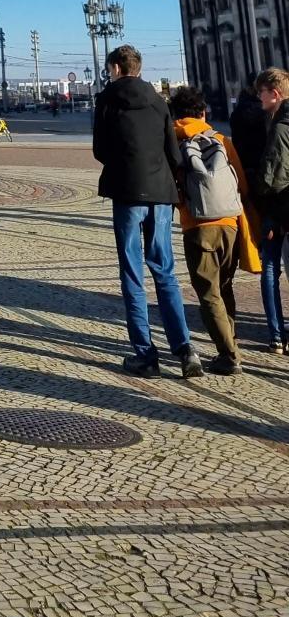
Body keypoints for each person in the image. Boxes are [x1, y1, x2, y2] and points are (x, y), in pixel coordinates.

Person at [93, 44, 203, 378]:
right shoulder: (158, 101)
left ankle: (145, 354)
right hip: (160, 193)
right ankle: (185, 349)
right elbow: (174, 153)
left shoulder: (107, 100)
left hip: (127, 193)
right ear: (138, 68)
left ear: (116, 68)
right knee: (165, 270)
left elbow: (100, 150)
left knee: (132, 272)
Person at [169, 86, 252, 374]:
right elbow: (241, 183)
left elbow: (173, 187)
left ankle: (229, 355)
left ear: (175, 115)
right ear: (203, 113)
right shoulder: (220, 139)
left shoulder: (174, 140)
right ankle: (231, 342)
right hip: (230, 224)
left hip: (197, 226)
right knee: (225, 286)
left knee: (208, 293)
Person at [254, 67, 289, 353]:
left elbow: (271, 177)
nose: (259, 98)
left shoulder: (279, 128)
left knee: (269, 267)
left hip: (279, 209)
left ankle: (277, 334)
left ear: (275, 94)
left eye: (262, 93)